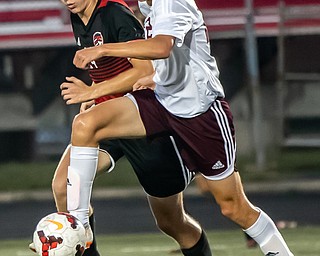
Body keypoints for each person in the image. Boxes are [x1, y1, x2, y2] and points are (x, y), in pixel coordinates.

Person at [61, 0, 295, 255]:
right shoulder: (147, 6)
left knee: (233, 207)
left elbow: (162, 47)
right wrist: (112, 89)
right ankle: (79, 225)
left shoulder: (171, 1)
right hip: (161, 103)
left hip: (200, 115)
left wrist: (103, 50)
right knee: (86, 124)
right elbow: (164, 60)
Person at [30, 0, 213, 256]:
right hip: (108, 122)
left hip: (144, 121)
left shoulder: (115, 13)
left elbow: (144, 71)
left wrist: (94, 91)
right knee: (63, 186)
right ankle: (78, 236)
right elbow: (106, 68)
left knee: (171, 222)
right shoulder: (79, 16)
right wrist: (98, 96)